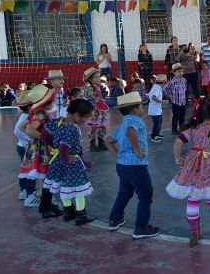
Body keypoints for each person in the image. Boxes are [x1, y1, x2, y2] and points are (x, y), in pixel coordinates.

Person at [167, 94, 210, 247]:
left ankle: (194, 233)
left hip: (192, 168)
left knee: (193, 200)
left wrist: (178, 158)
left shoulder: (194, 128)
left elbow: (178, 141)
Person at [105, 91, 160, 239]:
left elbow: (108, 140)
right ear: (134, 109)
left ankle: (115, 219)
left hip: (122, 165)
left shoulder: (123, 124)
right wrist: (138, 150)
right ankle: (141, 228)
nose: (143, 109)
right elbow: (131, 132)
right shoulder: (135, 121)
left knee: (125, 192)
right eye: (141, 106)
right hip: (136, 166)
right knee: (146, 195)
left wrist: (117, 155)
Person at [43, 99, 96, 226]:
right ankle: (81, 215)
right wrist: (67, 158)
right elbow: (64, 147)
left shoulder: (58, 121)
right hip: (71, 163)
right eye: (86, 117)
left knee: (64, 186)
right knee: (79, 189)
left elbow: (45, 133)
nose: (87, 120)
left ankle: (68, 212)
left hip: (57, 161)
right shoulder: (72, 128)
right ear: (77, 115)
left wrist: (50, 147)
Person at [18, 84, 63, 217]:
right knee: (47, 178)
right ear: (46, 102)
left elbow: (22, 126)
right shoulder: (40, 114)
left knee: (46, 178)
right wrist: (45, 138)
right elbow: (29, 129)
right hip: (42, 149)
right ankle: (46, 208)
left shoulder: (37, 112)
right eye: (51, 101)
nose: (53, 103)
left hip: (38, 147)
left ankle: (47, 205)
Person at [83, 67, 110, 152]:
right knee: (94, 127)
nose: (99, 79)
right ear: (90, 79)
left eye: (99, 76)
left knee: (102, 126)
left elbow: (100, 97)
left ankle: (101, 142)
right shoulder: (88, 87)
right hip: (93, 110)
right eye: (96, 77)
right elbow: (91, 96)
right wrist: (98, 96)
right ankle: (92, 144)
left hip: (100, 110)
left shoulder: (97, 86)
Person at [14, 91, 33, 202]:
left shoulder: (26, 116)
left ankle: (25, 191)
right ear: (30, 107)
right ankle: (27, 192)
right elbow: (17, 131)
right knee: (28, 170)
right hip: (26, 147)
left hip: (24, 146)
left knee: (26, 169)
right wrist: (29, 139)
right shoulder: (26, 117)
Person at [165, 63, 189, 134]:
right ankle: (174, 130)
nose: (181, 73)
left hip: (183, 102)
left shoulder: (184, 80)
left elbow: (185, 89)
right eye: (178, 72)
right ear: (174, 72)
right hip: (176, 102)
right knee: (175, 116)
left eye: (182, 71)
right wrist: (170, 96)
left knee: (182, 116)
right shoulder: (172, 82)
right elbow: (166, 88)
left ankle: (182, 128)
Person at [148, 74, 168, 143]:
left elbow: (149, 95)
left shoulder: (155, 87)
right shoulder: (158, 88)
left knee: (159, 122)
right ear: (163, 83)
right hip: (155, 110)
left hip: (156, 109)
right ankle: (153, 136)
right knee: (157, 124)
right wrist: (162, 102)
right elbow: (153, 97)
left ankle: (157, 134)